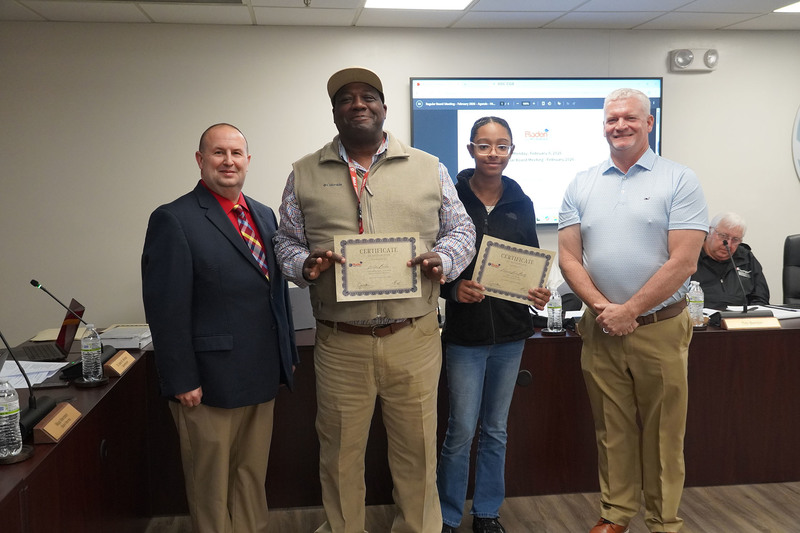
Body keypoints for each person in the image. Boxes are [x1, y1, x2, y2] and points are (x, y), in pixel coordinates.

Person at [273, 66, 476, 533]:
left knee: (418, 451)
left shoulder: (429, 166)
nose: (358, 104)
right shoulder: (304, 171)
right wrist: (304, 265)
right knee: (340, 454)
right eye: (347, 98)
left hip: (415, 335)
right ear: (335, 112)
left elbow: (462, 229)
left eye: (368, 96)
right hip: (341, 341)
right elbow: (284, 241)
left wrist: (442, 259)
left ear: (384, 108)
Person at [558, 89, 708, 533]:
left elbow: (683, 261)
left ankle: (664, 522)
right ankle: (617, 514)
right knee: (612, 428)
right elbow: (568, 257)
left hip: (659, 327)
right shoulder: (581, 182)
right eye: (611, 119)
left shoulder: (680, 180)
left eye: (629, 118)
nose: (619, 126)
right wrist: (606, 309)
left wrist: (632, 311)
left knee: (664, 434)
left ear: (649, 123)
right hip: (600, 326)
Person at [141, 123, 298, 533]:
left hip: (261, 374)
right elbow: (165, 308)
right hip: (207, 383)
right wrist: (181, 377)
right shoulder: (174, 219)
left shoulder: (263, 215)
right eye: (218, 153)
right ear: (200, 160)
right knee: (210, 483)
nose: (228, 161)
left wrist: (287, 358)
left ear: (248, 161)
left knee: (251, 475)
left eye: (236, 153)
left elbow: (275, 294)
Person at [436, 116, 550, 533]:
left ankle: (486, 512)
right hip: (465, 336)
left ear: (512, 151)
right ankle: (448, 515)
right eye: (484, 146)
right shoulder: (451, 201)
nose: (493, 154)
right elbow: (438, 267)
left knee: (496, 430)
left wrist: (538, 293)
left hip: (511, 333)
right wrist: (453, 290)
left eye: (502, 146)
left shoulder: (522, 202)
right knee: (461, 430)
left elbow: (532, 261)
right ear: (470, 150)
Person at [691, 212, 770, 308]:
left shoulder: (746, 257)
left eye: (735, 239)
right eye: (723, 236)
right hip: (701, 319)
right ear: (709, 231)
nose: (728, 244)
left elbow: (761, 299)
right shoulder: (692, 255)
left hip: (739, 320)